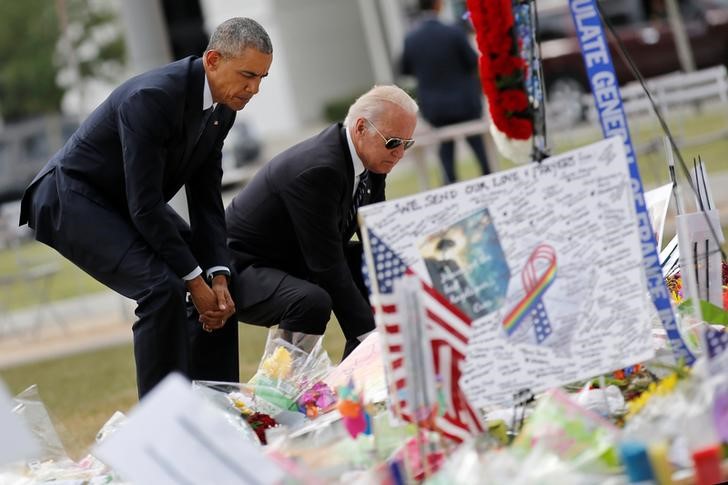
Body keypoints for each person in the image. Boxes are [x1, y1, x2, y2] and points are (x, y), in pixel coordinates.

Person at [18, 17, 273, 398]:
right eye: (247, 75)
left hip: (126, 200)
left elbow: (205, 200)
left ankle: (216, 408)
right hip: (69, 196)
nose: (253, 89)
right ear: (214, 60)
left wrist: (216, 277)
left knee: (219, 281)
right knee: (160, 289)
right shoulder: (152, 97)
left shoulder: (223, 109)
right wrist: (193, 281)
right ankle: (161, 425)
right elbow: (146, 205)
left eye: (262, 79)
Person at [225, 85, 418, 359]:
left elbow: (378, 240)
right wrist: (370, 335)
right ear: (361, 127)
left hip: (296, 258)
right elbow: (326, 263)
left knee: (376, 264)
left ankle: (367, 375)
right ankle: (280, 388)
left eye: (406, 143)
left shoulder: (373, 159)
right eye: (393, 142)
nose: (400, 153)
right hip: (242, 267)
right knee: (310, 301)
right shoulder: (320, 169)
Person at [401, 0, 490, 184]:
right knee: (481, 152)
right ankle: (489, 179)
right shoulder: (453, 32)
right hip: (465, 104)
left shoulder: (411, 39)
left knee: (446, 155)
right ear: (438, 5)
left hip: (436, 109)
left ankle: (450, 186)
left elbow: (405, 69)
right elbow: (473, 62)